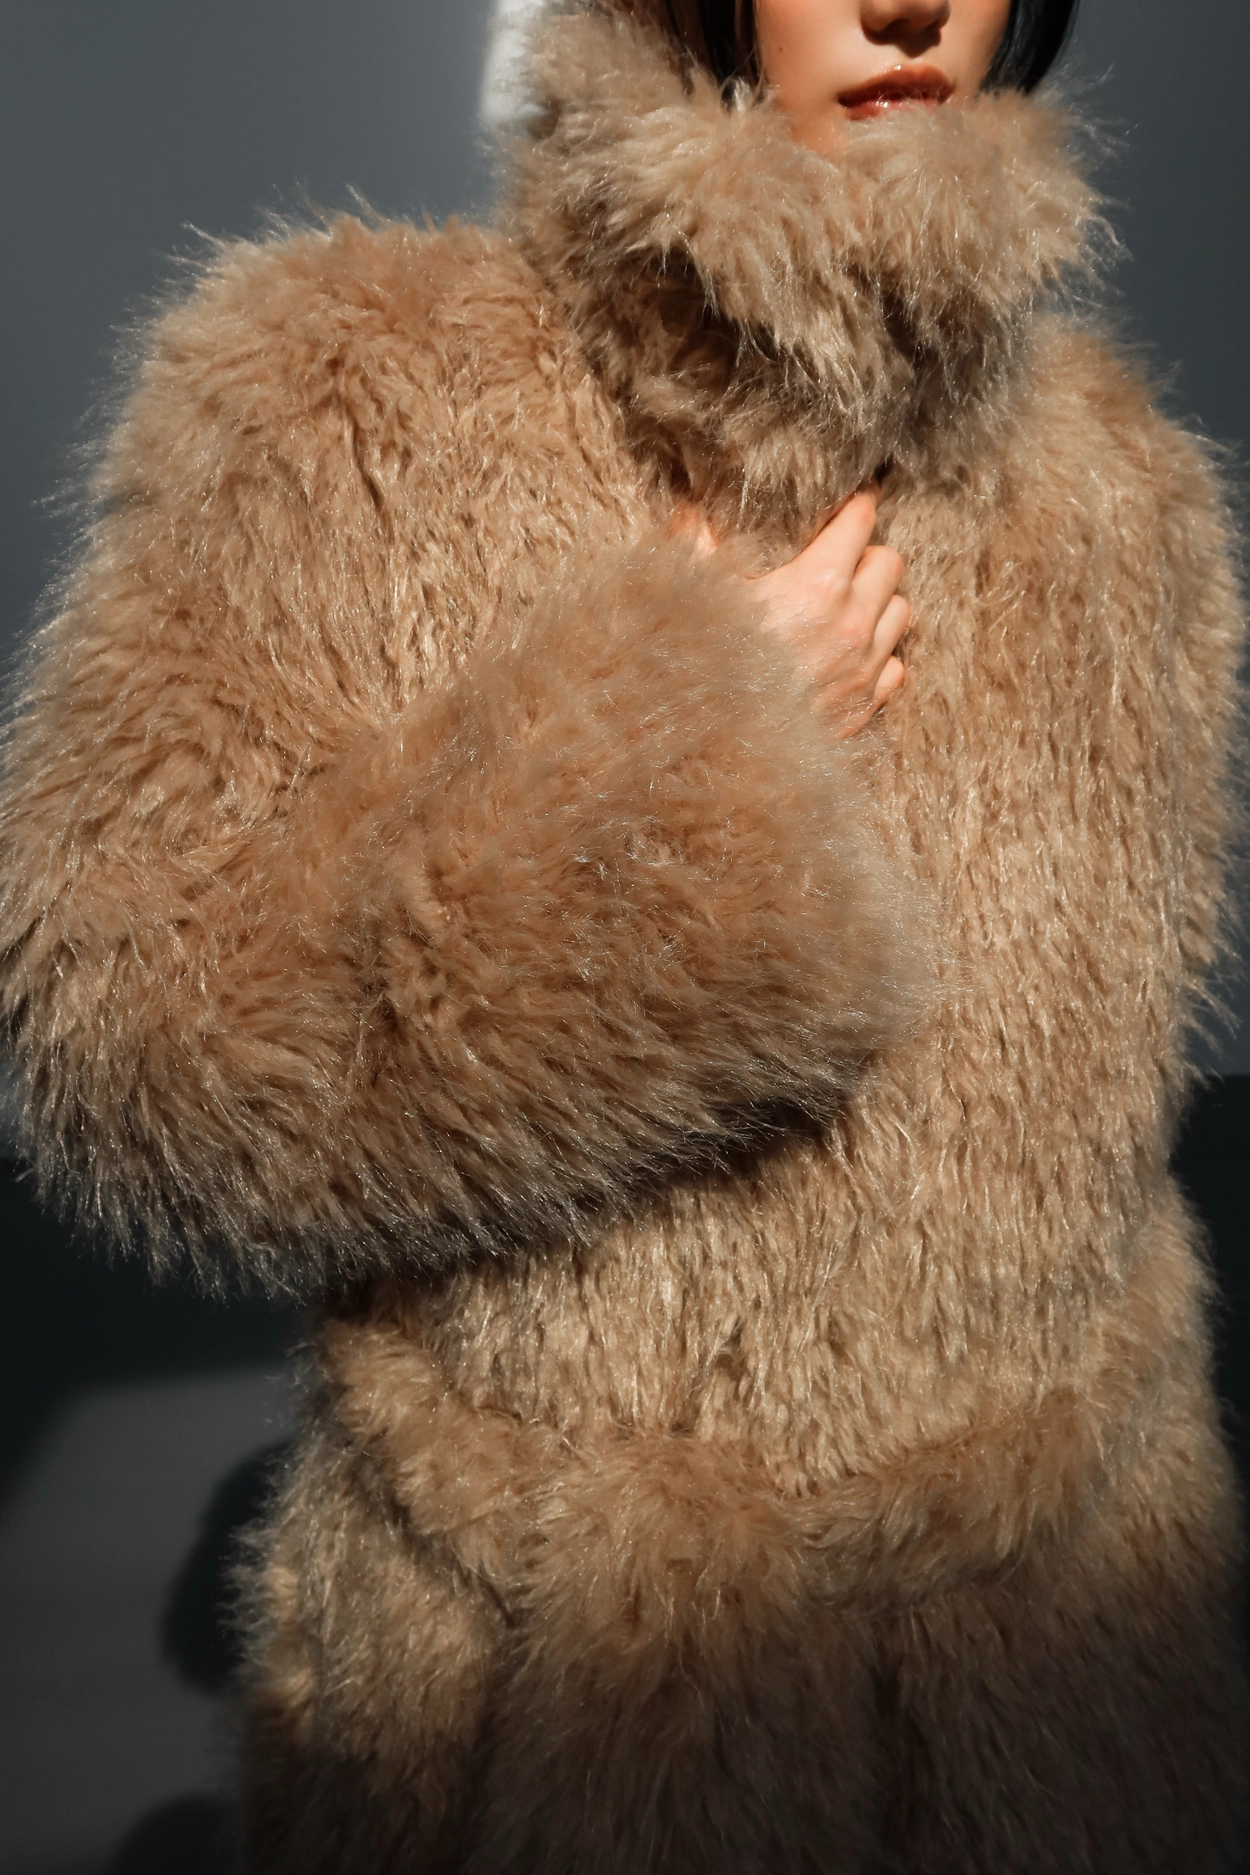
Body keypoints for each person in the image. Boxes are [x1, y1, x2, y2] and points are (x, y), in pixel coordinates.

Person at [0, 0, 1244, 1868]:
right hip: (532, 1718)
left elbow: (1090, 1197)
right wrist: (681, 758)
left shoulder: (1126, 502)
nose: (909, 3)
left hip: (1050, 1696)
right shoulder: (350, 397)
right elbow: (125, 1037)